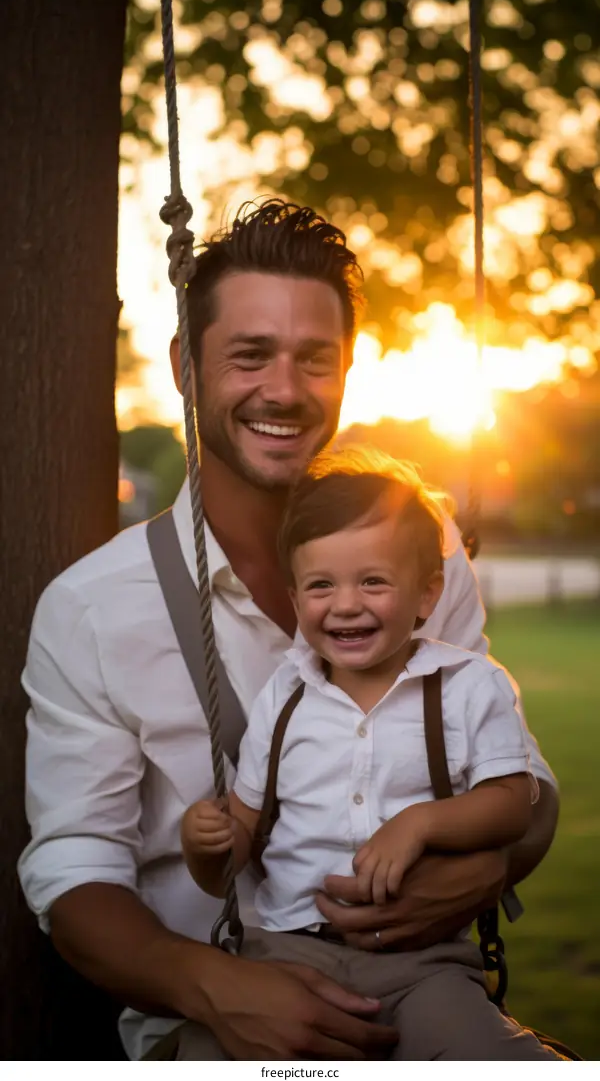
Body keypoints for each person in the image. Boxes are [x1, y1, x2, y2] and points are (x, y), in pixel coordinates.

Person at [18, 199, 558, 1061]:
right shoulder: (93, 608)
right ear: (186, 367)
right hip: (218, 1026)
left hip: (421, 998)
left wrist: (491, 865)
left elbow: (520, 779)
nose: (284, 390)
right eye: (250, 355)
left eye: (316, 359)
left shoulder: (430, 551)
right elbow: (74, 869)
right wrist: (217, 986)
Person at [180, 447, 558, 1060]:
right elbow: (241, 835)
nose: (347, 604)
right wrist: (206, 844)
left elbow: (512, 804)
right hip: (285, 956)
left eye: (373, 582)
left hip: (423, 966)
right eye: (321, 585)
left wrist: (420, 822)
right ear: (296, 597)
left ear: (427, 593)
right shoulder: (286, 692)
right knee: (202, 1060)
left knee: (486, 1058)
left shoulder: (466, 685)